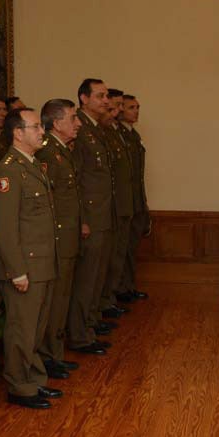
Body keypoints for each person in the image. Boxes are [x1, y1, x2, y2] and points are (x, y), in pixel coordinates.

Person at [0, 107, 63, 409]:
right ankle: (20, 386)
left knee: (36, 328)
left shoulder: (32, 165)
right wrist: (17, 270)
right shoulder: (8, 170)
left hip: (42, 262)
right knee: (22, 329)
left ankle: (34, 379)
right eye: (35, 127)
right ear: (18, 133)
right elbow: (5, 227)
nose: (42, 132)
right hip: (25, 266)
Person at [66, 78, 115, 354]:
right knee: (86, 279)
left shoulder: (97, 131)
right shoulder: (81, 132)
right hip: (90, 217)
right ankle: (80, 334)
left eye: (107, 96)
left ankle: (89, 325)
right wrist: (83, 218)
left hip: (103, 214)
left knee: (96, 277)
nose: (106, 101)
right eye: (100, 96)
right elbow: (77, 179)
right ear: (84, 99)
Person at [36, 98, 84, 379]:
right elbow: (47, 202)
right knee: (53, 301)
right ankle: (48, 355)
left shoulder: (61, 151)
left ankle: (55, 352)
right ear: (56, 123)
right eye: (72, 118)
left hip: (68, 235)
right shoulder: (47, 154)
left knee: (62, 297)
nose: (77, 123)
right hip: (57, 238)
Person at [99, 89, 133, 321]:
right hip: (105, 208)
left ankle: (108, 301)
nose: (118, 111)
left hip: (121, 204)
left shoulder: (117, 132)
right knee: (103, 264)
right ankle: (103, 305)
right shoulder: (101, 132)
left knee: (116, 257)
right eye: (114, 106)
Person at [116, 93, 150, 302]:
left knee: (130, 249)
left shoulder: (132, 135)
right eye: (130, 107)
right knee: (122, 251)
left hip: (135, 201)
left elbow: (138, 177)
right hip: (124, 203)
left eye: (137, 107)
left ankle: (128, 286)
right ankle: (120, 289)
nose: (135, 111)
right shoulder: (119, 134)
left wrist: (143, 204)